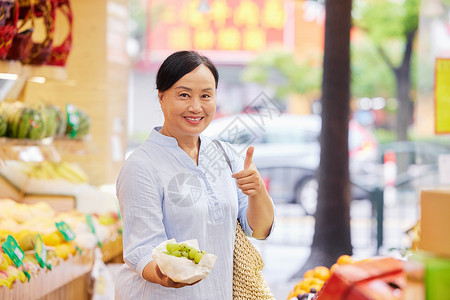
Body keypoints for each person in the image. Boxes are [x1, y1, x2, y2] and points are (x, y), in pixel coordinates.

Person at [115, 50, 275, 299]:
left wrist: (257, 192)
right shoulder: (142, 165)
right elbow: (142, 248)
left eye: (206, 96)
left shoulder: (225, 154)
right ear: (161, 97)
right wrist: (167, 276)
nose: (196, 106)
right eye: (184, 95)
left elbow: (259, 230)